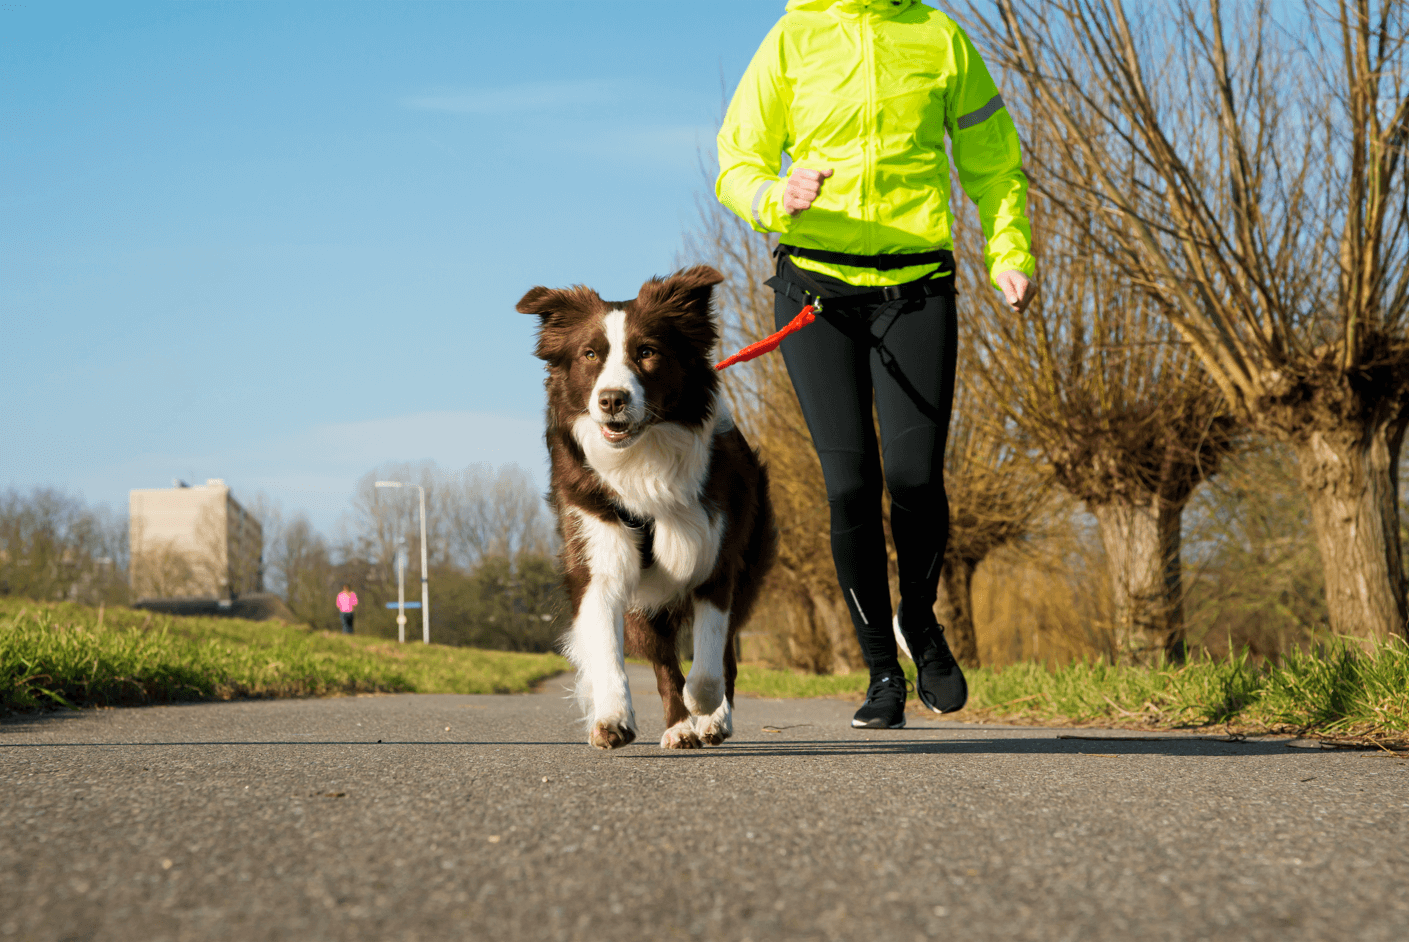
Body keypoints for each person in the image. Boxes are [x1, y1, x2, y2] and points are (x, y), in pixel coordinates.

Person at [717, 0, 1036, 729]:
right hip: (815, 296)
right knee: (849, 485)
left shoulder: (938, 37)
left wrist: (1008, 251)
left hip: (914, 290)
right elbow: (736, 161)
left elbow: (993, 159)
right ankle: (880, 672)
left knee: (916, 479)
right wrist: (775, 196)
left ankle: (918, 621)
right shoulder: (793, 37)